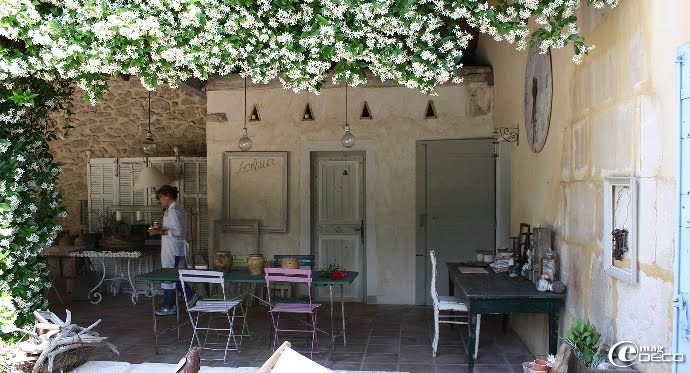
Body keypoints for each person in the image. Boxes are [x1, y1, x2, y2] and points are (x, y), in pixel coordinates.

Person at [147, 184, 200, 316]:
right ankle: (191, 296)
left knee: (169, 276)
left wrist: (159, 231)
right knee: (175, 276)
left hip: (173, 249)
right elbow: (174, 227)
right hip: (174, 248)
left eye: (160, 198)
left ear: (167, 196)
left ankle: (169, 305)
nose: (159, 201)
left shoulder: (174, 210)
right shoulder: (173, 209)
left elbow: (178, 231)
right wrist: (161, 228)